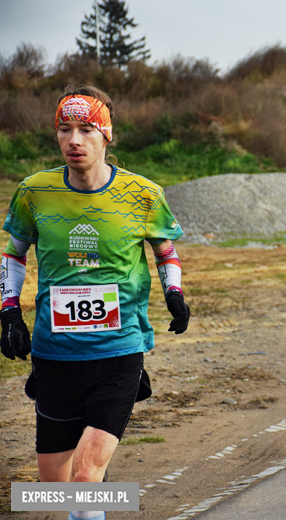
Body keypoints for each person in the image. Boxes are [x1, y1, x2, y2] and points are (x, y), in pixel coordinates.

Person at [0, 85, 190, 520]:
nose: (74, 140)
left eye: (86, 129)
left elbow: (166, 252)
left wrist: (174, 293)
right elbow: (13, 254)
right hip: (54, 354)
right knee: (56, 489)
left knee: (85, 478)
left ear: (107, 134)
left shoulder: (142, 195)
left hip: (118, 351)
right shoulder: (34, 192)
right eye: (64, 129)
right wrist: (9, 310)